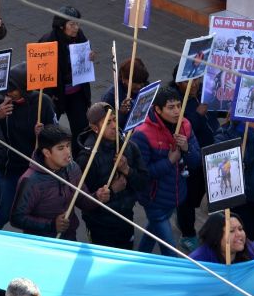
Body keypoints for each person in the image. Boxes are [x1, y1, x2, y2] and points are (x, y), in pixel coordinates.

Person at [132, 86, 201, 256]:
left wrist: (186, 148)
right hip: (153, 199)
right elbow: (142, 174)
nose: (177, 111)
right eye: (171, 108)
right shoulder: (142, 134)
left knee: (153, 232)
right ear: (158, 109)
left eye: (179, 105)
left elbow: (196, 161)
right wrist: (169, 161)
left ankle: (140, 260)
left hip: (176, 194)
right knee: (171, 252)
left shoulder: (185, 125)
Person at [0, 63, 58, 230]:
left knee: (33, 212)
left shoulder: (43, 102)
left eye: (14, 90)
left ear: (24, 88)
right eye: (7, 89)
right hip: (9, 168)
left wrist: (43, 132)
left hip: (34, 168)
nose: (9, 94)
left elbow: (55, 134)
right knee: (6, 210)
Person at [11, 125, 110, 240]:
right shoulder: (30, 180)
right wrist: (51, 224)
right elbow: (17, 218)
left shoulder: (73, 168)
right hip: (42, 244)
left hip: (70, 238)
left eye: (68, 146)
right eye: (61, 148)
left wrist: (97, 197)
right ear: (47, 153)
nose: (68, 152)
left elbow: (82, 200)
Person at [76, 103, 148, 249]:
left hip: (126, 218)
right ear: (95, 128)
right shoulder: (88, 158)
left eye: (115, 119)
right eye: (108, 122)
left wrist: (127, 170)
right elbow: (81, 200)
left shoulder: (129, 146)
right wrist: (112, 190)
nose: (114, 125)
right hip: (100, 225)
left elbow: (144, 182)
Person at [169, 66, 218, 252]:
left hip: (209, 154)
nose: (195, 84)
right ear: (177, 82)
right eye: (188, 81)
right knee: (187, 199)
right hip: (190, 158)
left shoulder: (201, 94)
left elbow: (216, 114)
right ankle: (187, 233)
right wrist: (199, 112)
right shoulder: (176, 102)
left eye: (197, 79)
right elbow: (183, 127)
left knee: (202, 192)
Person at [39, 6, 93, 154]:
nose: (76, 28)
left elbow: (84, 59)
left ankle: (78, 158)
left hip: (76, 92)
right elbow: (41, 71)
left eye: (78, 23)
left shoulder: (80, 37)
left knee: (81, 128)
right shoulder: (48, 42)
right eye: (72, 24)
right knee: (51, 131)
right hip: (56, 95)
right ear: (61, 26)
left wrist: (89, 58)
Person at [189, 213, 254, 264]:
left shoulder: (249, 248)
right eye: (231, 231)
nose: (239, 234)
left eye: (240, 229)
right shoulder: (197, 261)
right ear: (216, 236)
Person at [101, 57, 149, 129]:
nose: (139, 86)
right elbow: (106, 127)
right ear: (123, 78)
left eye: (141, 82)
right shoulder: (111, 96)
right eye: (135, 82)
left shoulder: (145, 86)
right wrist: (121, 114)